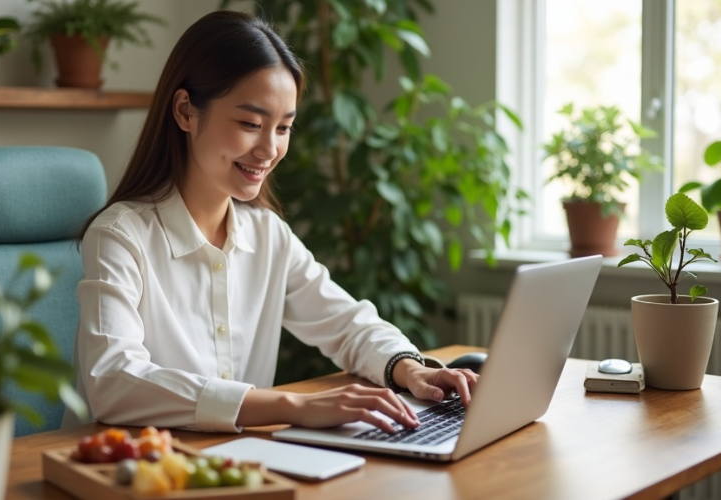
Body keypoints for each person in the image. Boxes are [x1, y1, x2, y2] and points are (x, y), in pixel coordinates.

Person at [65, 10, 478, 434]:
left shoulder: (266, 235)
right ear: (186, 111)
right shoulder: (120, 235)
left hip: (235, 467)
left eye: (283, 128)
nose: (269, 149)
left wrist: (408, 368)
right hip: (126, 469)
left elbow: (347, 324)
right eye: (250, 124)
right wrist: (293, 406)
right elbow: (112, 379)